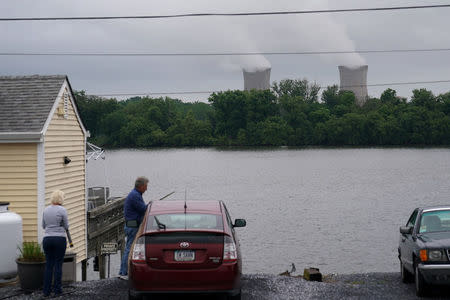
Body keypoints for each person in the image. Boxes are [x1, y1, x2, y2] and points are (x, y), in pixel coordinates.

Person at [119, 176, 149, 279]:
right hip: (132, 226)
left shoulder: (135, 194)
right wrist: (151, 205)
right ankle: (123, 273)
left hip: (131, 224)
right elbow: (143, 209)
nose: (146, 188)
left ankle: (125, 271)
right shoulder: (135, 196)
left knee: (129, 247)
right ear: (140, 186)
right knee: (129, 248)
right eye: (145, 186)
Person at [42, 190, 69, 297]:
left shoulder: (46, 210)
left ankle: (46, 291)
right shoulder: (62, 210)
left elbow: (43, 226)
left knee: (49, 265)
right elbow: (66, 226)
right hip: (59, 239)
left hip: (47, 239)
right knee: (58, 264)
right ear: (61, 199)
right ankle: (57, 290)